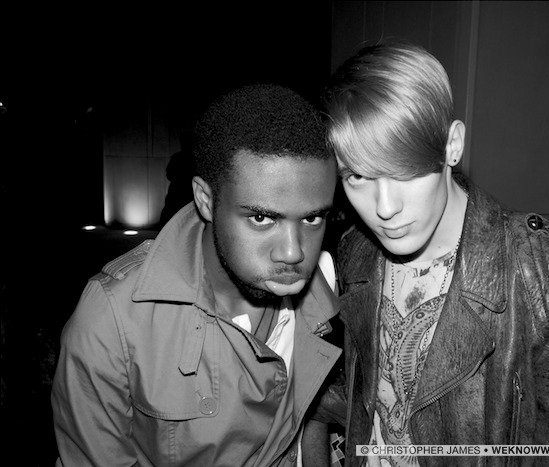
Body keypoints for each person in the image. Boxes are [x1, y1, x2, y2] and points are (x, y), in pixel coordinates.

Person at [322, 42, 549, 465]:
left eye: (406, 171)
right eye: (358, 177)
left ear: (452, 145)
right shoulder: (355, 251)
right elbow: (370, 397)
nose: (385, 207)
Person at [51, 84, 342, 466]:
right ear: (206, 200)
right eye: (261, 217)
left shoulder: (323, 291)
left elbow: (310, 420)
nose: (293, 252)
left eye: (312, 218)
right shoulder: (113, 319)